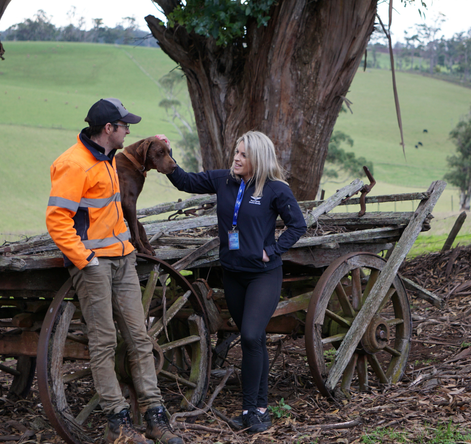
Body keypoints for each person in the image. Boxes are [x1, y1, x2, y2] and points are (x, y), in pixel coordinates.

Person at [46, 98, 183, 444]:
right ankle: (118, 423)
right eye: (125, 127)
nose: (128, 131)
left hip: (123, 259)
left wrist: (129, 250)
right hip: (94, 266)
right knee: (105, 342)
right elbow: (57, 220)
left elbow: (114, 207)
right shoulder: (72, 164)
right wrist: (86, 260)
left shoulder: (107, 158)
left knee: (140, 339)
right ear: (109, 129)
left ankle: (155, 416)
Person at [167, 130, 307, 433]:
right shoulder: (224, 180)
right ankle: (255, 408)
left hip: (263, 275)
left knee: (252, 336)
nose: (236, 157)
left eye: (243, 154)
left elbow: (298, 225)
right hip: (233, 273)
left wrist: (273, 250)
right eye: (236, 151)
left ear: (257, 157)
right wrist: (166, 158)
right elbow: (187, 181)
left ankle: (255, 410)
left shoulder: (275, 189)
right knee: (251, 341)